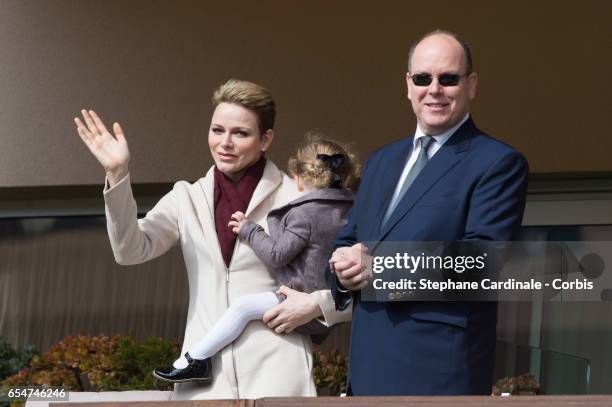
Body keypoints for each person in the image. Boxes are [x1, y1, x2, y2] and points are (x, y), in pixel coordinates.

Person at [74, 79, 349, 399]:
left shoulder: (299, 197)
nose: (225, 143)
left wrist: (316, 304)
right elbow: (130, 250)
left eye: (241, 133)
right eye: (217, 130)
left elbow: (352, 290)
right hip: (203, 383)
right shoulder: (185, 197)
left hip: (278, 374)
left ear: (266, 139)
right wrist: (117, 174)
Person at [328, 30, 529, 395]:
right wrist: (342, 268)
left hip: (438, 375)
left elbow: (483, 262)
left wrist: (382, 267)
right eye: (423, 78)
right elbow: (349, 241)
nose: (434, 89)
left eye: (448, 79)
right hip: (367, 371)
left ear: (471, 85)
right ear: (408, 85)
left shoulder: (498, 163)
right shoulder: (381, 161)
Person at [152, 133, 358, 383]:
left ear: (299, 180)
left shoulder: (305, 214)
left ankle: (195, 359)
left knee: (242, 307)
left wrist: (251, 230)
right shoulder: (353, 211)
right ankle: (193, 360)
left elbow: (277, 254)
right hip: (334, 303)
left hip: (299, 299)